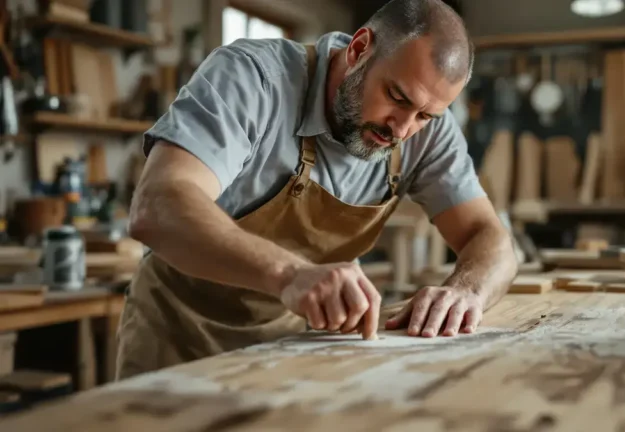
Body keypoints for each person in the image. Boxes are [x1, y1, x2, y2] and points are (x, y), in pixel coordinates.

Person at [116, 0, 517, 380]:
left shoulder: (423, 130)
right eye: (396, 96)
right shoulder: (253, 77)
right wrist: (291, 274)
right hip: (176, 337)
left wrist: (466, 293)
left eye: (425, 116)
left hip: (287, 348)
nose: (401, 129)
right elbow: (158, 204)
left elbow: (492, 239)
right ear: (359, 48)